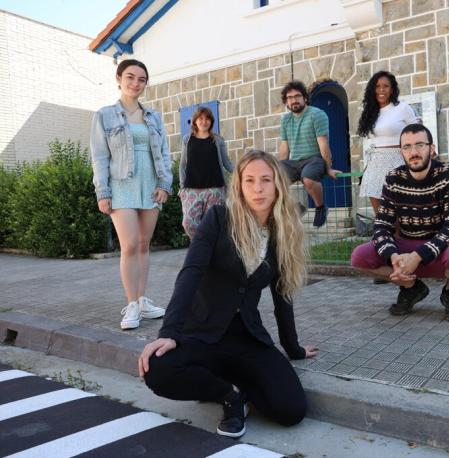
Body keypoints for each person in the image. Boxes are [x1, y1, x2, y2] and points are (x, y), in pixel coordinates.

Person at [138, 150, 318, 439]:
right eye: (249, 181)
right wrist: (168, 332)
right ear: (239, 186)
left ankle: (238, 383)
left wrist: (293, 348)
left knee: (291, 410)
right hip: (202, 332)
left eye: (265, 180)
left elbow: (282, 294)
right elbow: (190, 273)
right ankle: (230, 396)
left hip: (246, 337)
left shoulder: (283, 233)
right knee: (157, 370)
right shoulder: (219, 218)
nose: (257, 189)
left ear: (277, 186)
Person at [351, 124, 449, 322]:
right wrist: (394, 257)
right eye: (407, 147)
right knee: (360, 257)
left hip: (442, 247)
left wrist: (418, 256)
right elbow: (382, 226)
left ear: (432, 148)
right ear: (401, 151)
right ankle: (411, 288)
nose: (414, 152)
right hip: (407, 245)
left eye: (420, 145)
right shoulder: (394, 178)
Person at [90, 59, 172, 330]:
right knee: (130, 245)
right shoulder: (104, 115)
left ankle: (142, 299)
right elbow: (99, 157)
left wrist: (165, 184)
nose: (136, 83)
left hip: (150, 183)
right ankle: (131, 305)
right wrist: (103, 192)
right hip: (121, 184)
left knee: (145, 244)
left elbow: (164, 152)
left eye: (141, 79)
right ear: (118, 78)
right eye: (130, 77)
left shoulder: (154, 117)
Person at [278, 80, 340, 227]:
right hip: (295, 162)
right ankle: (293, 207)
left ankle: (320, 208)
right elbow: (284, 149)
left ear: (305, 98)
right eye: (290, 97)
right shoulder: (285, 120)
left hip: (314, 159)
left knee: (308, 179)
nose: (294, 100)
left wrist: (328, 168)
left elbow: (323, 144)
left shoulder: (317, 115)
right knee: (273, 178)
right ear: (286, 102)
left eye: (297, 96)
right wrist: (278, 168)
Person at [357, 71, 419, 215]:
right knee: (377, 203)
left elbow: (417, 133)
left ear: (392, 89)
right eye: (377, 86)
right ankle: (384, 233)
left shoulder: (402, 108)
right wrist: (367, 165)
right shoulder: (370, 112)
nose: (381, 90)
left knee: (397, 203)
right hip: (375, 161)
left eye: (386, 86)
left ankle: (399, 236)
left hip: (396, 160)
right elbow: (371, 140)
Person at [179, 106, 234, 239]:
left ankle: (210, 253)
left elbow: (227, 163)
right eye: (201, 118)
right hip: (192, 190)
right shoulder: (187, 139)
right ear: (195, 121)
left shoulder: (218, 140)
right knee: (189, 224)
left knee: (213, 224)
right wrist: (182, 188)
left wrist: (243, 171)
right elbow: (182, 165)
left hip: (215, 189)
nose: (204, 121)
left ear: (211, 121)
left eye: (207, 118)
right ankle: (199, 246)